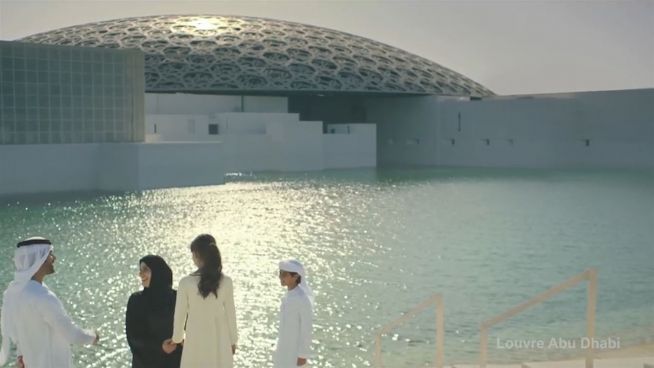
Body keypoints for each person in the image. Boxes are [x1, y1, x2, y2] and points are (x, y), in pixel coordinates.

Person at [0, 237, 99, 368]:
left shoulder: (15, 292)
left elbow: (16, 334)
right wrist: (92, 337)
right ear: (39, 259)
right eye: (50, 254)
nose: (54, 258)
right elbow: (71, 333)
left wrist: (21, 355)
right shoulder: (42, 296)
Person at [162, 234, 238, 368]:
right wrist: (233, 341)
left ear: (196, 255)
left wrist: (177, 339)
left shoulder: (186, 283)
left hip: (195, 339)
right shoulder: (226, 282)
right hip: (219, 340)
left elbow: (180, 316)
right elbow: (231, 314)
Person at [126, 255, 182, 368]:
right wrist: (160, 347)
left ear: (158, 272)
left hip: (176, 362)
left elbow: (190, 327)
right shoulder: (136, 301)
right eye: (140, 270)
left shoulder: (178, 298)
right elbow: (133, 337)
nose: (140, 274)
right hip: (146, 363)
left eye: (145, 270)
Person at [274, 259, 314, 368]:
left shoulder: (303, 299)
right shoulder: (287, 296)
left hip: (295, 354)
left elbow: (307, 329)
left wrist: (302, 355)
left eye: (284, 274)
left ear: (295, 276)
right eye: (280, 273)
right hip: (283, 351)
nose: (280, 277)